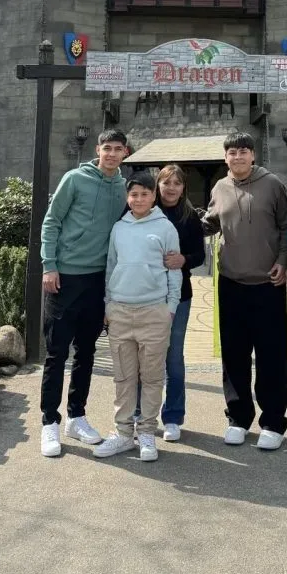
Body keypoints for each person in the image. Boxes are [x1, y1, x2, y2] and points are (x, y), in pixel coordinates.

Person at [40, 129, 129, 458]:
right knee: (56, 353)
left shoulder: (124, 187)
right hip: (64, 278)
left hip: (98, 281)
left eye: (118, 149)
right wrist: (49, 265)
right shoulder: (75, 179)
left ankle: (76, 416)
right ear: (98, 150)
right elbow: (52, 221)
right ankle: (49, 420)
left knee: (87, 351)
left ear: (125, 153)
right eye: (107, 148)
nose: (112, 154)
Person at [202, 131, 287, 450]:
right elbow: (210, 222)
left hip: (268, 282)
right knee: (234, 353)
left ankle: (273, 421)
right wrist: (174, 221)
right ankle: (238, 417)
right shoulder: (220, 187)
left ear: (253, 155)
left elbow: (285, 225)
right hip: (231, 282)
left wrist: (283, 259)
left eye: (243, 151)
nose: (237, 157)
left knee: (271, 354)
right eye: (231, 153)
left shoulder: (273, 184)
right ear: (225, 158)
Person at [94, 172, 182, 461]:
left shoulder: (166, 227)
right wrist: (107, 305)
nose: (139, 199)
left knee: (153, 377)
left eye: (145, 194)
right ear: (127, 197)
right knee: (124, 377)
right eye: (134, 194)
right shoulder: (119, 228)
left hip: (154, 311)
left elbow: (173, 269)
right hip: (120, 311)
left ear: (153, 196)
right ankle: (122, 433)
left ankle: (146, 432)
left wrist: (170, 308)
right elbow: (111, 267)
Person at [134, 164, 205, 442]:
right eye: (166, 183)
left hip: (178, 296)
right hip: (144, 293)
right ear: (157, 186)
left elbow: (198, 254)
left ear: (183, 187)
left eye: (177, 183)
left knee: (173, 357)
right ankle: (139, 413)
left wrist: (184, 259)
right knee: (143, 356)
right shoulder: (143, 211)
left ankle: (173, 416)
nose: (172, 188)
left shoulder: (189, 217)